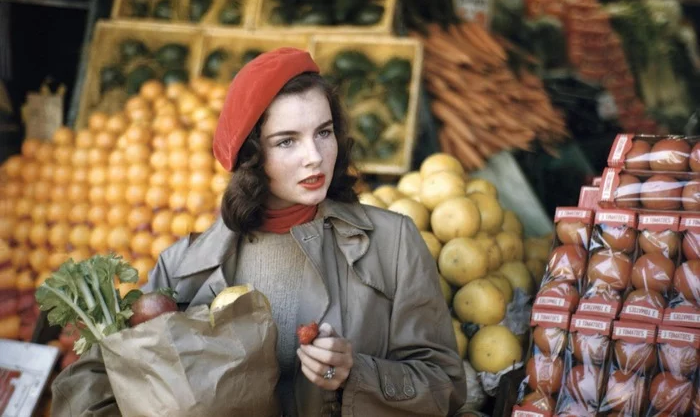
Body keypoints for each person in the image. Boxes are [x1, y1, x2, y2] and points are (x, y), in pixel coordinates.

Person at [51, 48, 468, 416]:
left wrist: (356, 373)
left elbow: (446, 388)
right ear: (252, 154)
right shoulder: (183, 267)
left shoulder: (391, 243)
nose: (314, 157)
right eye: (287, 142)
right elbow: (112, 378)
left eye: (323, 132)